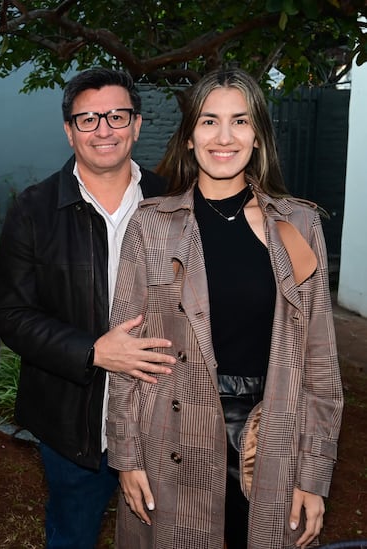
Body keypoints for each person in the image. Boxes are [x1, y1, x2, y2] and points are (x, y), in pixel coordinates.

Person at [106, 67, 343, 549]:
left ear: (258, 136)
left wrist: (314, 475)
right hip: (173, 434)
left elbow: (320, 361)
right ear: (190, 136)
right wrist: (128, 458)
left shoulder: (298, 225)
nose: (224, 136)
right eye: (209, 121)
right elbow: (125, 357)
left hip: (272, 433)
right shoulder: (151, 227)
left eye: (240, 121)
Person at [0, 67, 176, 548]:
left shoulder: (174, 205)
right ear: (68, 129)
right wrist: (92, 351)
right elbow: (11, 314)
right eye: (88, 119)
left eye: (117, 116)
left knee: (163, 536)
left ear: (136, 125)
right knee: (72, 534)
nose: (104, 130)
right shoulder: (33, 210)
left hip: (161, 415)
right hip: (71, 420)